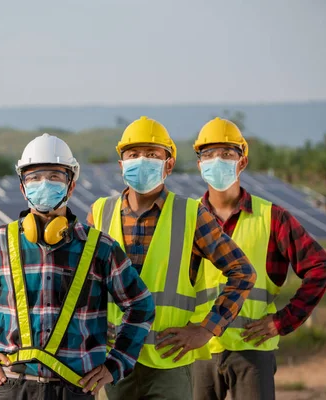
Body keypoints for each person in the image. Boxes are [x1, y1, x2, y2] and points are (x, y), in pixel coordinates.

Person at [0, 133, 155, 400]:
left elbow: (141, 305)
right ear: (22, 187)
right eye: (34, 177)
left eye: (55, 176)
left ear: (71, 186)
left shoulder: (100, 248)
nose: (44, 184)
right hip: (12, 386)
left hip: (73, 389)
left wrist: (116, 364)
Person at [87, 116, 256, 400]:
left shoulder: (191, 214)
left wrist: (206, 330)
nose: (142, 160)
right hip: (112, 360)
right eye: (134, 154)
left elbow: (242, 272)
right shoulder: (100, 212)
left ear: (169, 164)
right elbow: (85, 285)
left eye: (152, 154)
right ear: (121, 165)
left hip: (170, 363)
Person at [191, 117, 326, 400]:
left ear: (242, 161)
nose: (216, 160)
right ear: (199, 165)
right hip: (199, 349)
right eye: (208, 154)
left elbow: (320, 266)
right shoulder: (185, 218)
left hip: (252, 348)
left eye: (226, 153)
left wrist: (282, 321)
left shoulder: (272, 218)